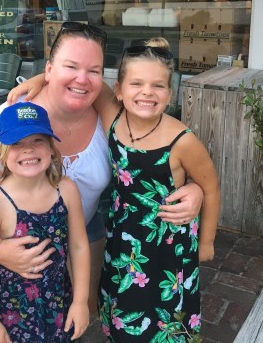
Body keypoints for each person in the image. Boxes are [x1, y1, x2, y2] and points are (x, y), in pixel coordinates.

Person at [0, 21, 204, 315]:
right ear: (49, 69)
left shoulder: (111, 118)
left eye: (94, 70)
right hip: (22, 249)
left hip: (85, 236)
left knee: (80, 315)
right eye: (70, 66)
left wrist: (194, 188)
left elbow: (156, 160)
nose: (82, 79)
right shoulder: (15, 116)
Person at [95, 39, 220, 341]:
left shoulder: (182, 140)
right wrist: (33, 82)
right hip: (123, 236)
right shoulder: (113, 118)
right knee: (124, 303)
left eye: (158, 86)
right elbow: (81, 79)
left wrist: (207, 242)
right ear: (119, 89)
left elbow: (210, 187)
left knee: (164, 311)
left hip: (167, 243)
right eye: (136, 83)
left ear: (169, 94)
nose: (147, 92)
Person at [0, 102, 90, 342]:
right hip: (12, 311)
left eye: (37, 141)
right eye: (17, 143)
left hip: (57, 301)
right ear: (2, 153)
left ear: (51, 148)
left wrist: (81, 301)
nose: (28, 150)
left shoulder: (66, 190)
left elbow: (78, 246)